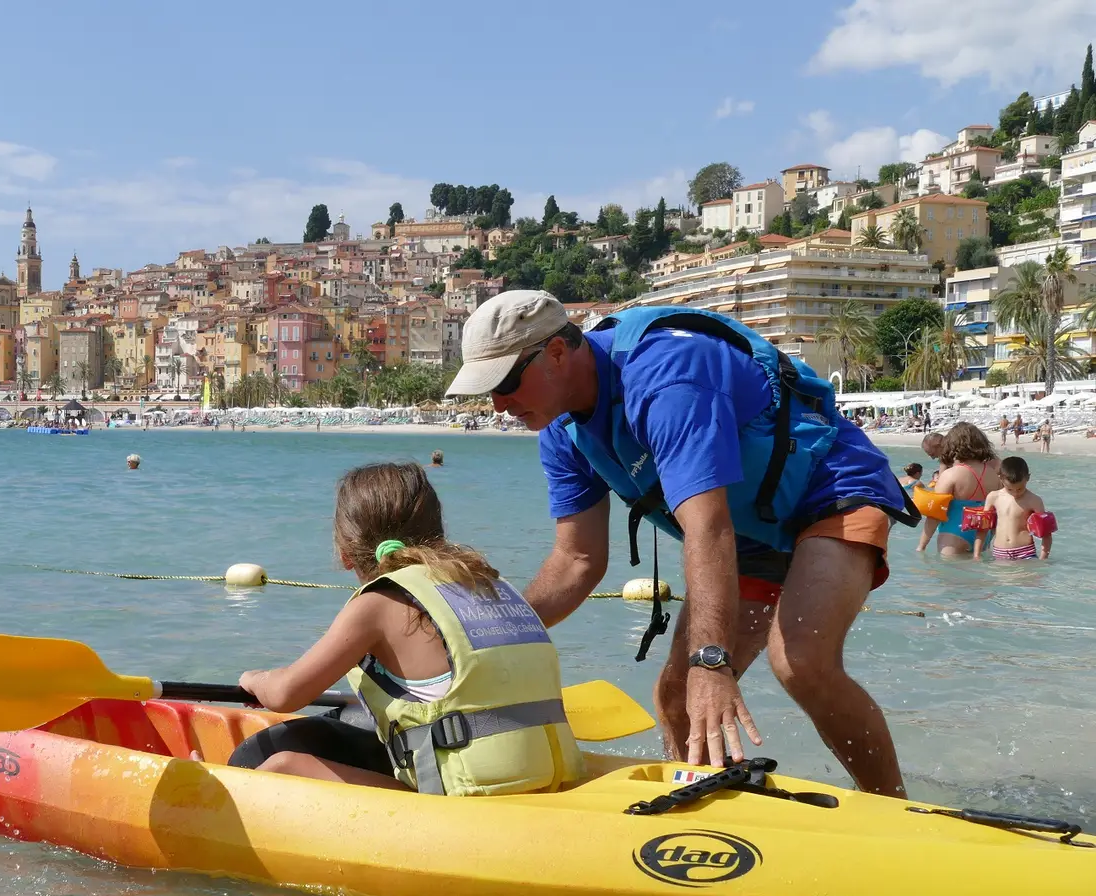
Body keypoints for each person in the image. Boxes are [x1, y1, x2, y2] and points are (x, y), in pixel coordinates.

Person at [446, 291, 915, 796]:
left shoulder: (666, 377)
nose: (497, 405)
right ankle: (707, 807)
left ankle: (894, 808)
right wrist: (488, 637)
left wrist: (712, 661)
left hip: (831, 490)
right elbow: (576, 560)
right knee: (676, 696)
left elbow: (708, 527)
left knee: (799, 662)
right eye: (487, 390)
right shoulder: (561, 431)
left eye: (505, 383)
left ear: (556, 352)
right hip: (748, 534)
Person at [235, 461, 581, 795]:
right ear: (439, 535)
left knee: (277, 763)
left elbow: (285, 695)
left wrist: (255, 679)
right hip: (551, 779)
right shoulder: (490, 584)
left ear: (345, 554)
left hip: (469, 797)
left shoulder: (376, 604)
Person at [918, 422, 1000, 558]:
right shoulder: (993, 474)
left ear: (953, 444)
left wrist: (921, 546)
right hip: (983, 536)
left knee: (949, 571)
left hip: (954, 534)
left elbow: (935, 514)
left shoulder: (950, 475)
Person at [981, 456, 1054, 561]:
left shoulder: (1034, 500)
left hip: (1025, 552)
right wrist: (977, 553)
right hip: (1000, 552)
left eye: (1020, 489)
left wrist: (1043, 558)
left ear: (1028, 478)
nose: (1015, 493)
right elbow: (983, 528)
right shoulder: (993, 497)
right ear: (1000, 478)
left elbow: (1046, 534)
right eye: (1010, 489)